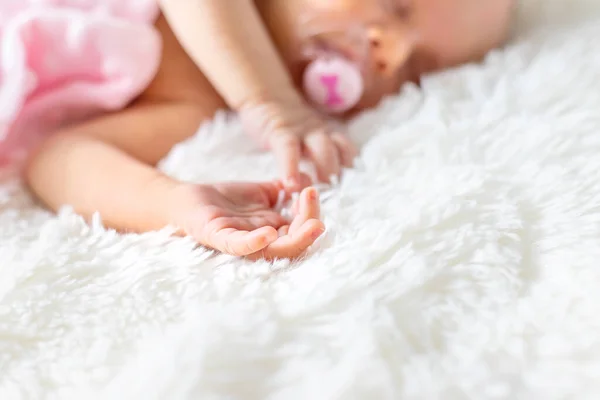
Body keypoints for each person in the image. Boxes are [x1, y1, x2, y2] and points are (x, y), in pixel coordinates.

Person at [24, 0, 515, 260]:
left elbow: (56, 157)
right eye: (395, 4)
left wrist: (172, 204)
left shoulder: (197, 105)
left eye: (418, 68)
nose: (393, 54)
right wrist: (271, 102)